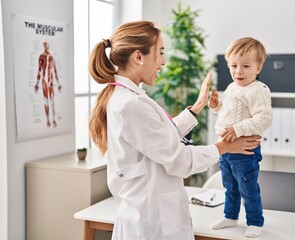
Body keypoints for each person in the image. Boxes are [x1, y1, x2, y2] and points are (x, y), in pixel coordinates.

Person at [88, 21, 261, 240]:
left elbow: (158, 138)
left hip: (149, 216)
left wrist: (197, 108)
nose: (163, 61)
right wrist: (224, 147)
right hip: (152, 224)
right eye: (160, 52)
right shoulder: (131, 105)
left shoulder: (124, 96)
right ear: (138, 57)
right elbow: (179, 160)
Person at [209, 37, 272, 238]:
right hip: (226, 148)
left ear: (258, 68)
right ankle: (231, 216)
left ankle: (255, 221)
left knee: (247, 187)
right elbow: (229, 113)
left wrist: (237, 129)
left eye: (246, 66)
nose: (239, 71)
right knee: (229, 186)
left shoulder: (257, 90)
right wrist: (216, 106)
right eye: (233, 66)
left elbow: (264, 118)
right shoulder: (231, 88)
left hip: (244, 151)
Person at [34, 41, 62, 127]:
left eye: (47, 45)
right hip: (44, 82)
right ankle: (48, 120)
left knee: (52, 101)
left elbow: (55, 70)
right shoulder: (41, 57)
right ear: (43, 46)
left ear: (48, 46)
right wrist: (37, 84)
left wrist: (58, 83)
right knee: (46, 101)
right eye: (45, 45)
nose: (46, 47)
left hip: (50, 81)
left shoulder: (51, 57)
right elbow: (39, 70)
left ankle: (53, 120)